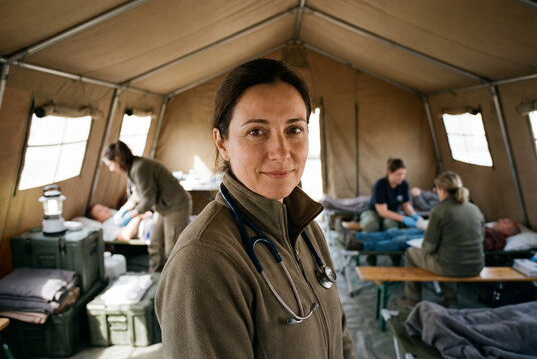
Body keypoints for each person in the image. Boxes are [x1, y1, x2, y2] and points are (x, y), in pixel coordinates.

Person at [155, 58, 356, 358]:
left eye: (294, 129)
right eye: (256, 132)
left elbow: (340, 336)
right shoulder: (203, 263)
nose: (280, 152)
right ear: (221, 143)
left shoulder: (305, 226)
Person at [102, 141, 192, 272]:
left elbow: (148, 199)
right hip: (163, 208)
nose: (111, 169)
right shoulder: (131, 169)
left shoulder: (139, 168)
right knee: (154, 243)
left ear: (117, 159)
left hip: (176, 206)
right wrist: (126, 207)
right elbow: (139, 193)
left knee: (172, 248)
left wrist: (132, 215)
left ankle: (178, 279)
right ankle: (155, 274)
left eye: (110, 165)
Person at [399, 171, 485, 309]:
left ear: (442, 191)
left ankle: (412, 298)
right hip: (476, 266)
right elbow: (480, 238)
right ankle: (450, 299)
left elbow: (429, 247)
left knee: (411, 253)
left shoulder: (439, 212)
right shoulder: (475, 209)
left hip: (450, 267)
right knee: (448, 253)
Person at [359, 158, 420, 265]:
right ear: (389, 172)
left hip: (392, 213)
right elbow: (382, 211)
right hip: (374, 211)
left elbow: (406, 205)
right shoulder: (380, 184)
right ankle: (371, 258)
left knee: (391, 225)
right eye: (398, 174)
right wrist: (404, 218)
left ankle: (395, 259)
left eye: (404, 174)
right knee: (370, 224)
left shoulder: (404, 184)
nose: (402, 177)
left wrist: (415, 216)